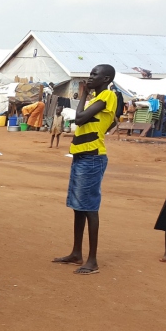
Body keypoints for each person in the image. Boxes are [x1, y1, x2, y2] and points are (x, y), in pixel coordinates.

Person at [52, 65, 117, 275]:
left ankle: (92, 260)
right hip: (83, 156)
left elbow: (79, 118)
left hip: (92, 157)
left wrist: (83, 96)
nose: (90, 78)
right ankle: (77, 253)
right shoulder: (98, 100)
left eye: (94, 75)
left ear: (106, 78)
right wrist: (87, 97)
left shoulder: (107, 96)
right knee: (79, 207)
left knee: (89, 208)